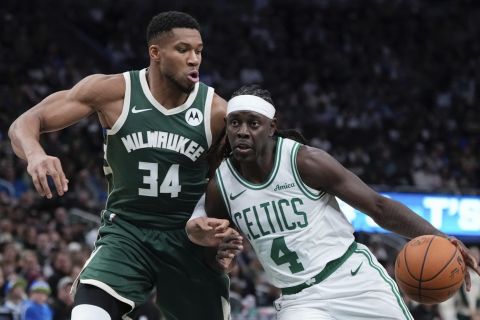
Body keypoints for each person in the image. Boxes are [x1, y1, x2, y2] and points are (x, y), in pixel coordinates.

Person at [9, 11, 233, 320]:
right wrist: (35, 154)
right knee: (87, 314)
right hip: (127, 231)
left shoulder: (217, 112)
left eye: (199, 51)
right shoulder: (112, 92)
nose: (194, 59)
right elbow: (25, 122)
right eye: (183, 49)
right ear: (155, 53)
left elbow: (231, 184)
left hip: (187, 239)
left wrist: (220, 229)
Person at [186, 85, 480, 320]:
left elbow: (378, 206)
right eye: (235, 122)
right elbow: (212, 252)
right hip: (299, 300)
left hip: (354, 279)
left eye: (253, 123)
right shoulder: (221, 187)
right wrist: (220, 257)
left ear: (271, 127)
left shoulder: (305, 161)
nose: (242, 131)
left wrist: (442, 238)